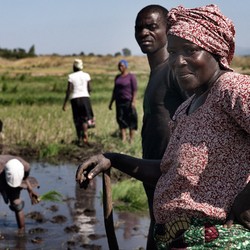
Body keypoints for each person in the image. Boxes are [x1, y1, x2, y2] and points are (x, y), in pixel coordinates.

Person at [76, 4, 250, 249]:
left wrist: (246, 199)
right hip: (174, 237)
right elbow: (167, 171)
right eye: (174, 52)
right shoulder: (187, 108)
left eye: (190, 50)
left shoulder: (231, 88)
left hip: (215, 238)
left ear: (215, 49)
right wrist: (113, 159)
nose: (178, 61)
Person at [135, 5, 188, 249]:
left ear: (169, 30)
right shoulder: (157, 72)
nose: (144, 32)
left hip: (173, 179)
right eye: (139, 28)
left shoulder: (174, 71)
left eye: (152, 26)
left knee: (173, 238)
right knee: (158, 232)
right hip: (154, 174)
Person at [0, 155, 40, 237]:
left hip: (16, 180)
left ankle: (21, 231)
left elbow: (25, 177)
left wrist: (30, 190)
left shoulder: (26, 166)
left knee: (17, 204)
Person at [62, 59, 95, 146]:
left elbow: (69, 90)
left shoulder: (71, 76)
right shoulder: (86, 75)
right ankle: (85, 136)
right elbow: (90, 88)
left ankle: (79, 138)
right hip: (85, 98)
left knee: (77, 119)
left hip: (75, 99)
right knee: (85, 119)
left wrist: (65, 103)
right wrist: (88, 94)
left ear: (74, 67)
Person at [109, 59, 138, 143]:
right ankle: (124, 138)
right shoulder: (117, 77)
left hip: (128, 102)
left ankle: (131, 139)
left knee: (131, 119)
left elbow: (135, 90)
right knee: (121, 119)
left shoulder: (131, 76)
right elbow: (115, 91)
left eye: (121, 65)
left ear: (126, 66)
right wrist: (111, 102)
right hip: (119, 102)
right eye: (119, 66)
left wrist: (133, 101)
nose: (120, 67)